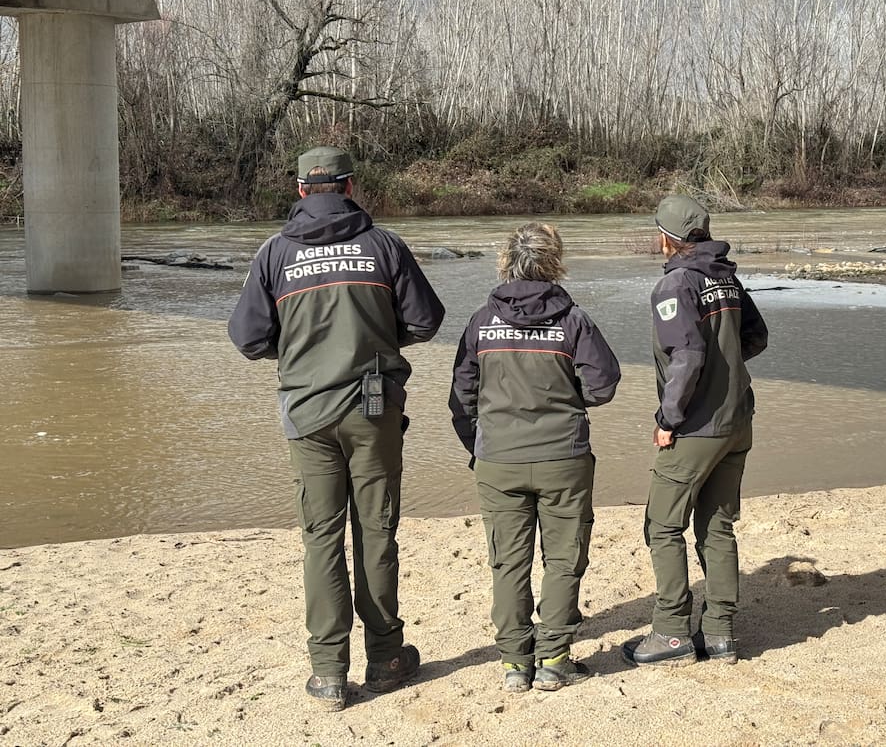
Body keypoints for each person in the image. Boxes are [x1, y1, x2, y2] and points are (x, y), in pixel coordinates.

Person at [228, 147, 444, 711]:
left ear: (301, 191)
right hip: (374, 409)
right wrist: (377, 337)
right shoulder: (383, 246)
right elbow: (425, 320)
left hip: (306, 411)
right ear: (349, 187)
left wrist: (299, 352)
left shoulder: (274, 253)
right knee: (377, 531)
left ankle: (328, 673)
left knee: (321, 537)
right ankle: (385, 659)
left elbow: (248, 338)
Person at [449, 223, 620, 693]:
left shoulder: (481, 322)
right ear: (554, 261)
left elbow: (460, 398)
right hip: (562, 455)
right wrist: (567, 402)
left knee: (507, 562)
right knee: (564, 559)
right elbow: (603, 384)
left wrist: (480, 446)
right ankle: (555, 658)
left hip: (498, 459)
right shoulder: (573, 320)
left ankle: (514, 664)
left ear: (506, 261)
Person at [623, 194, 768, 668]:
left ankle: (669, 632)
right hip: (737, 421)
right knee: (717, 525)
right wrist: (725, 374)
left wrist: (667, 420)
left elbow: (686, 358)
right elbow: (756, 338)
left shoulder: (675, 286)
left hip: (696, 427)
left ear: (667, 239)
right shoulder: (726, 277)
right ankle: (720, 633)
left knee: (661, 525)